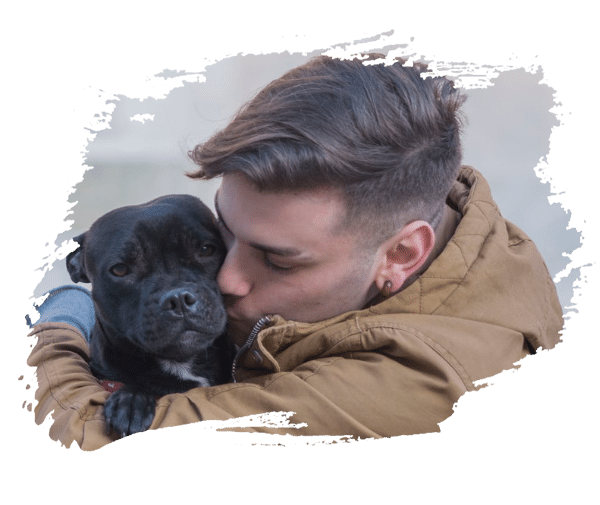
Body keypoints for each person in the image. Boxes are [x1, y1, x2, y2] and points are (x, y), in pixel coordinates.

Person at [27, 54, 563, 450]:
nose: (228, 281)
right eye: (223, 237)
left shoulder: (422, 387)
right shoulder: (437, 217)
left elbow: (92, 448)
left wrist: (62, 316)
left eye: (277, 258)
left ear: (401, 255)